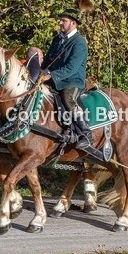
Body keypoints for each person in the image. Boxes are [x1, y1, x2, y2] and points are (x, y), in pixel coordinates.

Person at [42, 8, 93, 151]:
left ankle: (85, 133)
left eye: (63, 21)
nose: (60, 23)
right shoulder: (57, 39)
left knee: (68, 97)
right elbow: (47, 61)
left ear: (73, 23)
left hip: (72, 81)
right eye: (61, 20)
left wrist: (51, 75)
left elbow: (71, 68)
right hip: (54, 78)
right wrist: (40, 72)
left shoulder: (79, 43)